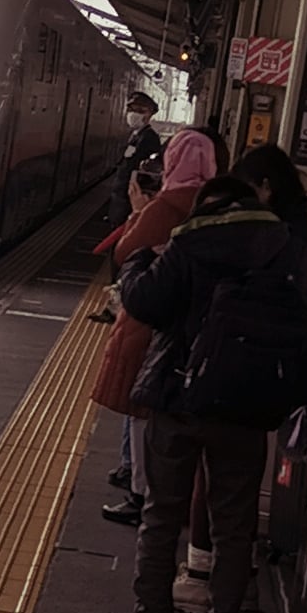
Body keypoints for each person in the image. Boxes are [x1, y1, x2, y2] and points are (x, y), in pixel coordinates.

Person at [111, 149, 307, 613]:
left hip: (181, 398)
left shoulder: (192, 239)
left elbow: (146, 303)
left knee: (162, 513)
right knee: (235, 523)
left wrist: (139, 260)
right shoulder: (284, 245)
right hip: (248, 406)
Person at [94, 127, 221, 521]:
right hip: (191, 324)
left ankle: (140, 493)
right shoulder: (215, 203)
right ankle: (148, 485)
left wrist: (136, 210)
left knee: (140, 408)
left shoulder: (166, 204)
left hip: (152, 316)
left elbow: (125, 252)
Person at [104, 93, 165, 231]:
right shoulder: (137, 135)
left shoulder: (149, 138)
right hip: (122, 197)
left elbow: (148, 173)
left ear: (150, 114)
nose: (133, 114)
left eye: (140, 111)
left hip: (129, 200)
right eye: (131, 109)